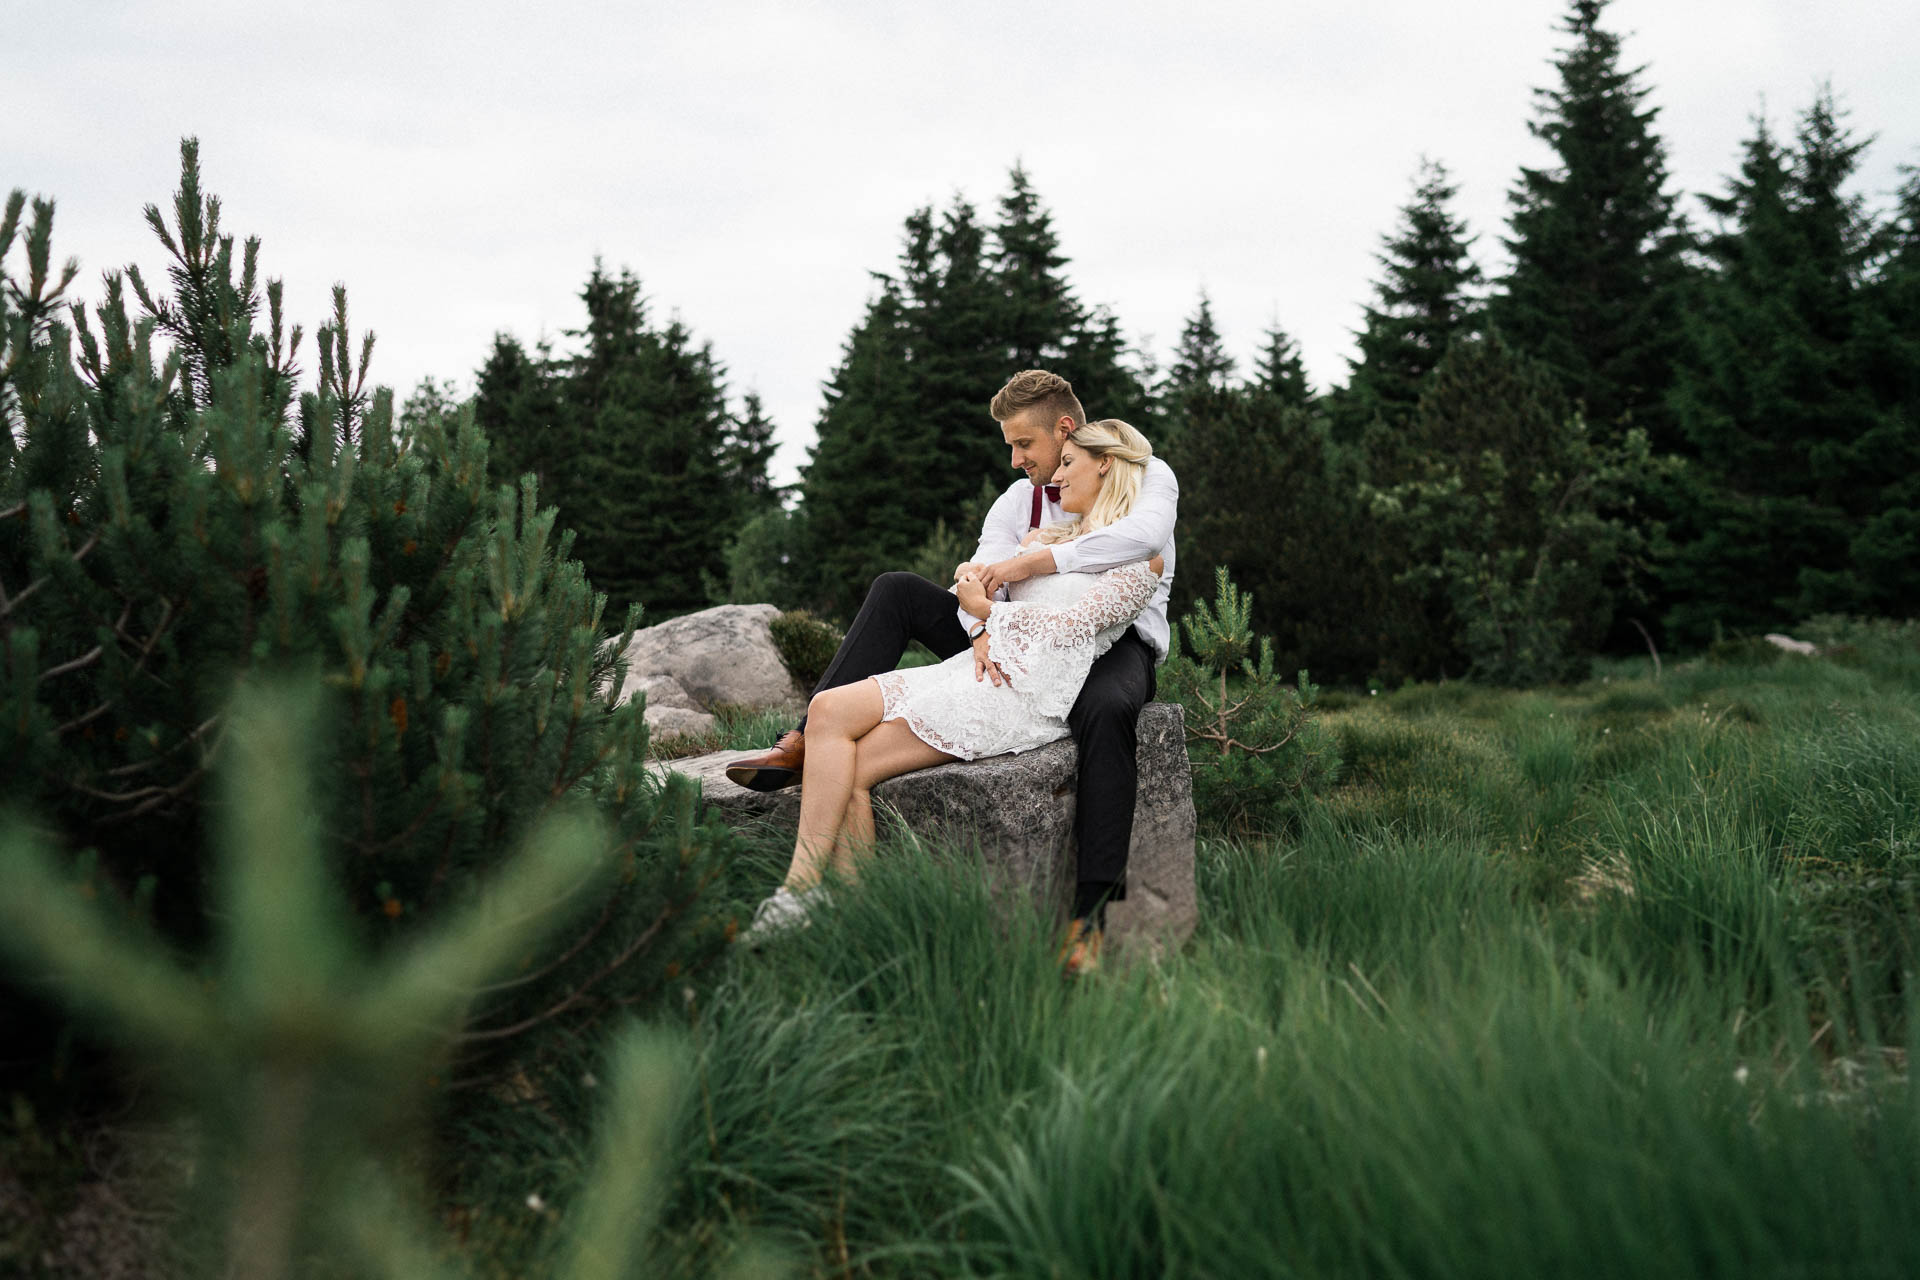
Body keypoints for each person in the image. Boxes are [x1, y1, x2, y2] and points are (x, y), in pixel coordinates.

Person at [732, 374, 1177, 969]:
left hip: (1114, 643)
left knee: (1104, 708)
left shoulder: (1146, 473)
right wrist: (984, 627)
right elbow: (974, 573)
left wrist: (1032, 563)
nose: (1017, 460)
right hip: (1007, 631)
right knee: (896, 592)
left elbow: (1139, 544)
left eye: (1025, 446)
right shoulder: (1021, 502)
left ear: (1064, 433)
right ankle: (804, 746)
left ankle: (1088, 917)